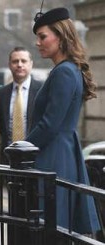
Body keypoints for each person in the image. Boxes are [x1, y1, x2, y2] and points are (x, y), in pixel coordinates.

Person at [28, 7, 99, 234]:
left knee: (51, 226)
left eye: (43, 37)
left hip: (54, 156)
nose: (38, 43)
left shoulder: (64, 72)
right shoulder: (67, 70)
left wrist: (20, 148)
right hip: (62, 153)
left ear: (60, 36)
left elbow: (50, 124)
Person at [0, 47, 43, 164]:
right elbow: (1, 127)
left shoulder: (42, 90)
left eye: (23, 61)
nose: (19, 65)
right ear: (9, 65)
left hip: (35, 157)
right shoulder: (0, 94)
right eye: (15, 61)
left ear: (31, 64)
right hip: (8, 158)